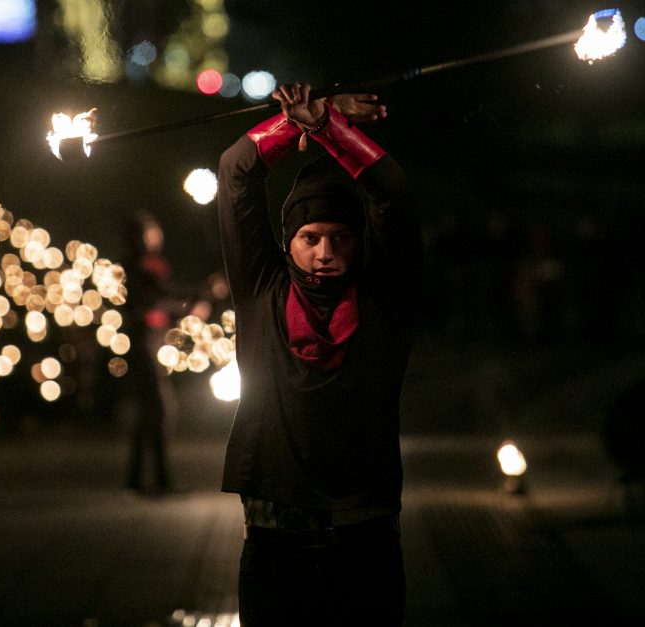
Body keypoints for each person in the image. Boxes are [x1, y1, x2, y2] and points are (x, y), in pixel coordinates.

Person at [216, 82, 422, 625]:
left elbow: (391, 193)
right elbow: (236, 170)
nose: (326, 253)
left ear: (360, 242)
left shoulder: (385, 298)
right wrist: (305, 121)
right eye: (310, 237)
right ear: (288, 243)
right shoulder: (263, 290)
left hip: (366, 532)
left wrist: (331, 128)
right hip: (274, 534)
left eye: (340, 237)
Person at [118, 211, 209, 494]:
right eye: (152, 230)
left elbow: (164, 296)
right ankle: (157, 481)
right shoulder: (136, 267)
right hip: (143, 343)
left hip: (153, 342)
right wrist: (191, 301)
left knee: (151, 412)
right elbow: (156, 298)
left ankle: (139, 480)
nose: (157, 235)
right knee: (158, 410)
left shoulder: (148, 266)